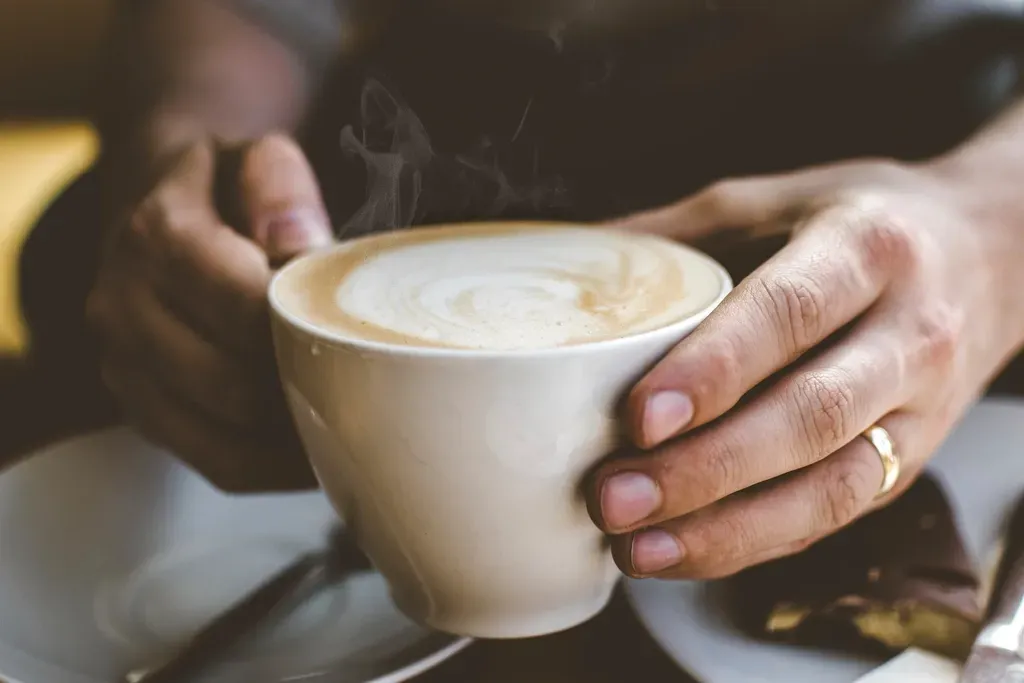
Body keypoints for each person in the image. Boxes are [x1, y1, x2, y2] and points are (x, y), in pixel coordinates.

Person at [16, 0, 1024, 580]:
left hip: (931, 139)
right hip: (432, 128)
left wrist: (989, 235)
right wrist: (194, 154)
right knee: (78, 258)